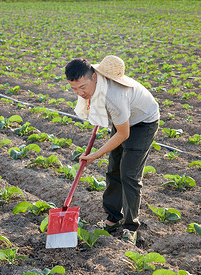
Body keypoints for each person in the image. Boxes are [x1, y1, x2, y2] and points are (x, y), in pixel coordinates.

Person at [65, 55, 159, 244]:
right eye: (74, 88)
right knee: (113, 170)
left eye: (82, 87)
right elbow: (115, 123)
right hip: (125, 118)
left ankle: (131, 226)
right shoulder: (96, 81)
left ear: (94, 77)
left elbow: (123, 134)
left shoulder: (114, 97)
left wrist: (95, 155)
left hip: (143, 122)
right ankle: (113, 218)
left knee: (129, 174)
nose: (79, 93)